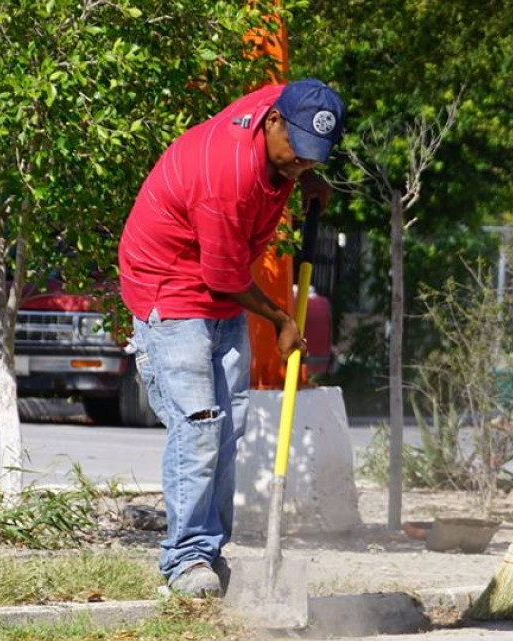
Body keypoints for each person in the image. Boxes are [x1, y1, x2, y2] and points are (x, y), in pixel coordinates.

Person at [118, 78, 344, 597]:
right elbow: (223, 277)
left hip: (220, 287)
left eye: (315, 157)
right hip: (170, 287)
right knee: (198, 428)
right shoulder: (228, 174)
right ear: (272, 123)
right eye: (298, 154)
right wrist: (283, 320)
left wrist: (305, 176)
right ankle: (185, 560)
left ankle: (207, 556)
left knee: (228, 428)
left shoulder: (286, 108)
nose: (302, 165)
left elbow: (296, 99)